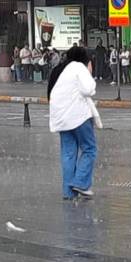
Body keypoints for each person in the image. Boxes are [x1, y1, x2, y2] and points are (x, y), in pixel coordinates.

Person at [48, 46, 99, 200]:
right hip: (78, 116)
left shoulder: (59, 69)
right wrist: (88, 72)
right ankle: (81, 183)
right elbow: (88, 89)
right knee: (89, 148)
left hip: (61, 117)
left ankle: (68, 192)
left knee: (68, 153)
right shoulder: (78, 67)